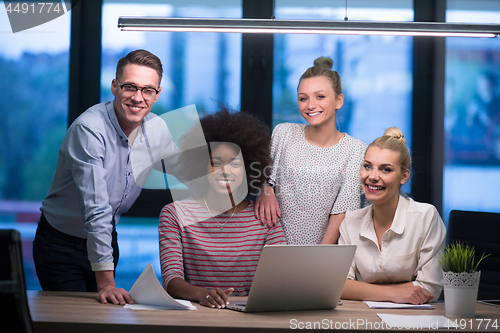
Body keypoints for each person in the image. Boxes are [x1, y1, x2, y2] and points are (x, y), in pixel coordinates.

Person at [33, 49, 180, 305]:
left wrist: (254, 186)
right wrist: (107, 283)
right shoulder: (89, 129)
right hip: (60, 245)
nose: (138, 97)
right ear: (114, 86)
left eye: (147, 90)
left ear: (157, 95)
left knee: (104, 317)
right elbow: (97, 208)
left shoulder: (157, 128)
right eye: (130, 87)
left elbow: (186, 168)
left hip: (107, 238)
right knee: (77, 321)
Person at [159, 109, 286, 309]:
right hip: (195, 316)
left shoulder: (265, 217)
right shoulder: (175, 215)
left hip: (251, 317)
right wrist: (201, 294)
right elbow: (171, 280)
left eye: (234, 164)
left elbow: (281, 279)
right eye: (215, 163)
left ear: (247, 168)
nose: (224, 171)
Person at [254, 57, 366, 244]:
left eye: (320, 96)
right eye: (303, 98)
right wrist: (264, 189)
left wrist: (316, 260)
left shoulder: (356, 149)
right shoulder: (283, 133)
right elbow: (265, 178)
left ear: (339, 100)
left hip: (322, 254)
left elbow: (342, 213)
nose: (310, 105)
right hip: (271, 247)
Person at [339, 127, 446, 304]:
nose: (372, 176)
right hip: (361, 321)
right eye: (367, 166)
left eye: (385, 170)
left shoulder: (425, 217)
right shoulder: (350, 222)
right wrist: (395, 294)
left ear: (404, 176)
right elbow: (340, 286)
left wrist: (361, 289)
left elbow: (429, 289)